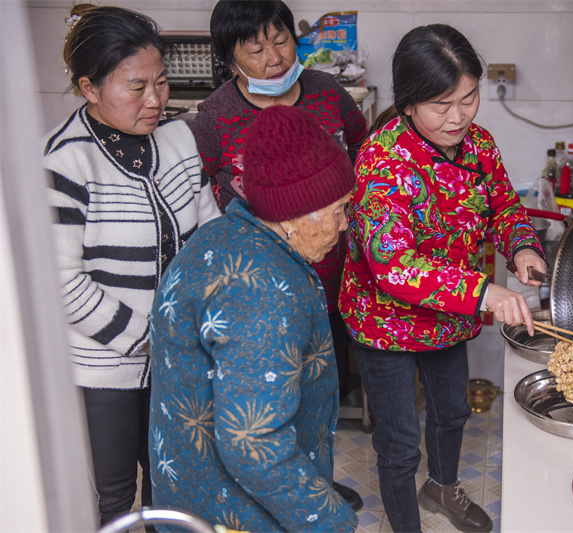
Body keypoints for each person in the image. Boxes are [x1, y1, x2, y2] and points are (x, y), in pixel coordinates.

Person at [339, 24, 547, 533]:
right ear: (408, 103)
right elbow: (393, 267)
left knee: (452, 412)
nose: (458, 116)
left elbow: (504, 206)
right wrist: (483, 292)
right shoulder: (381, 161)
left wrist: (521, 246)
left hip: (446, 317)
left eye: (469, 97)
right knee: (399, 440)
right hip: (383, 320)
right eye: (441, 104)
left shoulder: (477, 144)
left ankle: (442, 488)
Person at [43, 4, 219, 526]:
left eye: (161, 84)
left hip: (181, 360)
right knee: (114, 500)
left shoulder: (179, 139)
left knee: (177, 485)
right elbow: (61, 280)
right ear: (89, 87)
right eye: (135, 87)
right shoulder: (65, 161)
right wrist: (147, 336)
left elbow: (208, 237)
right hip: (105, 370)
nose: (154, 101)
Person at [149, 105, 358, 533]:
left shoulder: (221, 234)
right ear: (297, 211)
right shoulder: (262, 291)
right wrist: (329, 520)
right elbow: (253, 440)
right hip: (236, 515)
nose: (343, 226)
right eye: (339, 210)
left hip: (192, 492)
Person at [191, 0, 366, 509]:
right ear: (230, 58)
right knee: (266, 403)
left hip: (328, 279)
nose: (274, 56)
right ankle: (274, 498)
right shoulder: (215, 118)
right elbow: (197, 196)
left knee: (318, 394)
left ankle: (315, 485)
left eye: (281, 39)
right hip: (257, 292)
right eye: (255, 47)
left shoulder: (327, 93)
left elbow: (365, 151)